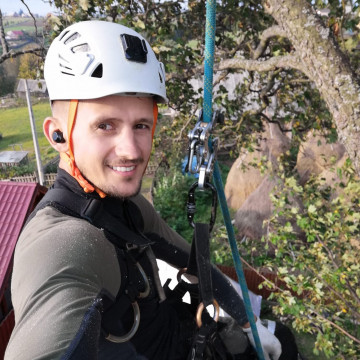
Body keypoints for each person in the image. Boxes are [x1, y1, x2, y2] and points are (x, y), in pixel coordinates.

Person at [5, 20, 283, 360]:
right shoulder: (63, 244)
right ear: (57, 134)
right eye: (105, 125)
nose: (132, 150)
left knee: (282, 337)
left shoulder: (129, 206)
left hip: (181, 340)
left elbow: (200, 265)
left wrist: (246, 322)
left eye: (141, 125)